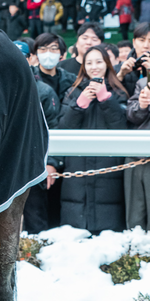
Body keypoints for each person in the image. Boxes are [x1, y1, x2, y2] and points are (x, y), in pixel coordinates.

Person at [58, 46, 129, 234]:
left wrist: (106, 99)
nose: (94, 66)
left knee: (109, 220)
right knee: (75, 220)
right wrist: (78, 105)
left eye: (98, 61)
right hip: (76, 165)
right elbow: (63, 129)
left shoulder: (120, 92)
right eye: (89, 62)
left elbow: (122, 129)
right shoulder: (73, 92)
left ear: (107, 63)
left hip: (109, 165)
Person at [14, 41, 61, 234]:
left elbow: (54, 128)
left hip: (34, 164)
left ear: (31, 58)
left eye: (22, 57)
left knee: (35, 218)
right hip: (6, 166)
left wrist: (51, 163)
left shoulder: (43, 91)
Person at [125, 73, 150, 230]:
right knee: (135, 215)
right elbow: (130, 115)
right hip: (138, 153)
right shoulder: (143, 83)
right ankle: (136, 251)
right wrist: (141, 105)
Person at [32, 33, 77, 102]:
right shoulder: (30, 78)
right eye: (43, 49)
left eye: (53, 49)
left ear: (61, 55)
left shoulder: (71, 80)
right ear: (36, 54)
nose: (48, 53)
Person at [116, 23, 150, 97]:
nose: (146, 45)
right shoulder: (119, 68)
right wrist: (121, 75)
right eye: (142, 40)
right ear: (134, 42)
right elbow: (110, 96)